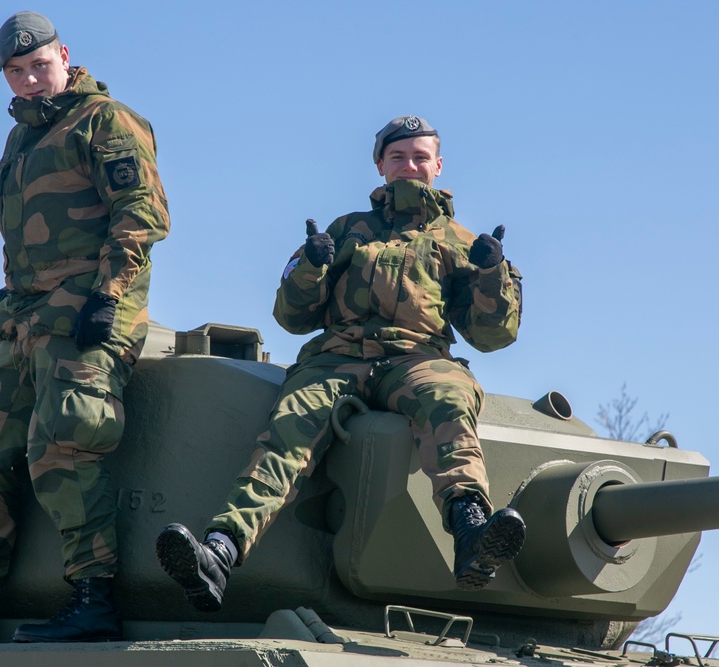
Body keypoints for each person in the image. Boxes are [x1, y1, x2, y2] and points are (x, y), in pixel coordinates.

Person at [156, 115, 524, 613]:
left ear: (438, 165)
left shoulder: (463, 242)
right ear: (380, 165)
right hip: (337, 359)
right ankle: (219, 552)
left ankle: (472, 533)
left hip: (417, 358)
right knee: (288, 430)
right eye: (398, 157)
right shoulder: (347, 230)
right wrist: (309, 267)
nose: (410, 166)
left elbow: (493, 335)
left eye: (420, 157)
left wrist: (490, 274)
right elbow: (291, 316)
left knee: (448, 402)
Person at [0, 11, 169, 648]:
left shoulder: (106, 121)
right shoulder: (22, 140)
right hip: (25, 321)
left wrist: (107, 297)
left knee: (66, 445)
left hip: (87, 310)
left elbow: (142, 214)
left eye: (38, 65)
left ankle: (92, 599)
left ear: (64, 56)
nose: (29, 79)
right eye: (16, 72)